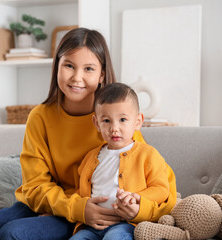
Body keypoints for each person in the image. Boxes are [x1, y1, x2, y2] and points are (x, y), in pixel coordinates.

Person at [0, 28, 144, 240]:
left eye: (88, 68)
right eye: (69, 66)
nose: (77, 77)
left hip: (86, 212)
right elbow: (35, 185)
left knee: (13, 235)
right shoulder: (40, 117)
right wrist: (69, 207)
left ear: (101, 74)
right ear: (57, 67)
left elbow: (139, 175)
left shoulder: (118, 121)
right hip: (45, 205)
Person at [70, 83, 177, 240]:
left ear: (138, 121)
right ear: (96, 123)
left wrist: (136, 197)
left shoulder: (148, 154)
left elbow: (161, 189)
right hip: (93, 225)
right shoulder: (91, 158)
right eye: (106, 121)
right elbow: (80, 192)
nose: (114, 128)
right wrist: (76, 208)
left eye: (122, 119)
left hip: (125, 223)